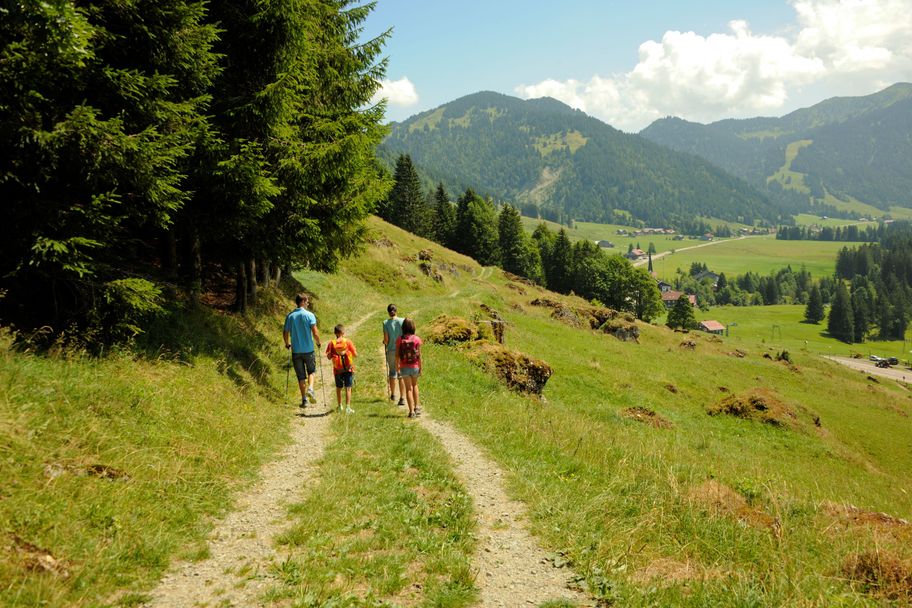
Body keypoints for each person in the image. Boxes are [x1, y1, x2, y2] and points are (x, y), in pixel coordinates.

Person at [283, 293, 321, 408]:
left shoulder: (290, 316)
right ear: (303, 301)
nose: (308, 303)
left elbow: (285, 333)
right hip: (308, 350)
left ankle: (304, 400)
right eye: (307, 301)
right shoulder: (310, 315)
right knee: (311, 371)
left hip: (296, 351)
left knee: (301, 376)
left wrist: (287, 344)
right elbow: (315, 332)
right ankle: (310, 388)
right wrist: (318, 342)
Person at [326, 324, 357, 414]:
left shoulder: (332, 343)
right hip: (348, 369)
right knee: (348, 387)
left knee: (338, 388)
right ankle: (348, 407)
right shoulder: (348, 342)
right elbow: (355, 354)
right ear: (343, 332)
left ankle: (340, 406)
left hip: (337, 370)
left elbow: (328, 356)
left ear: (335, 333)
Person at [396, 317, 422, 418]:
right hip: (415, 365)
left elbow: (397, 355)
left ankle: (411, 412)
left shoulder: (400, 339)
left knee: (408, 388)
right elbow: (419, 355)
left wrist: (397, 366)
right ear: (413, 327)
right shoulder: (417, 339)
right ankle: (417, 407)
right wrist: (420, 367)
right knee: (415, 385)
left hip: (404, 366)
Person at [382, 303, 406, 406]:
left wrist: (384, 342)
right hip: (401, 350)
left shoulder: (385, 323)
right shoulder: (402, 321)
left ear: (388, 312)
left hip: (391, 350)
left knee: (392, 372)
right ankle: (402, 398)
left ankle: (393, 395)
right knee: (401, 374)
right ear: (396, 311)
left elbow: (386, 340)